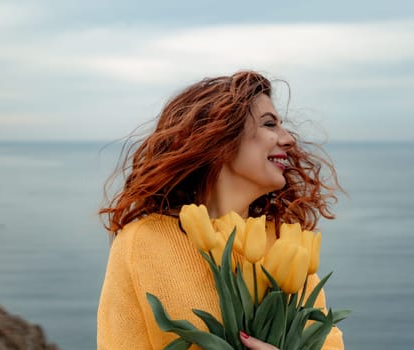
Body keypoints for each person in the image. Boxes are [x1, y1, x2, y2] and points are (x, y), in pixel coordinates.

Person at [97, 70, 344, 349]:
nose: (288, 139)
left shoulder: (285, 242)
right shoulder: (142, 242)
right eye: (269, 124)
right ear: (220, 138)